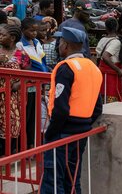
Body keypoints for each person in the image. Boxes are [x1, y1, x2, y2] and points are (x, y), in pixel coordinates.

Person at [41, 27, 103, 194]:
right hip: (81, 132)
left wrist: (51, 133)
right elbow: (98, 107)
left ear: (66, 45)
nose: (58, 45)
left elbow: (61, 108)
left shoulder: (66, 68)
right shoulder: (93, 68)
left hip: (63, 133)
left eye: (60, 42)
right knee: (73, 180)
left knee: (53, 181)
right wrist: (83, 123)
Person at [17, 17, 49, 148]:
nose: (34, 33)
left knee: (34, 117)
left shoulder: (37, 42)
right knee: (26, 116)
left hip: (38, 84)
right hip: (27, 85)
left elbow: (42, 61)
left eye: (36, 31)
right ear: (23, 30)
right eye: (32, 31)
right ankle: (23, 145)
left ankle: (31, 143)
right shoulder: (20, 44)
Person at [0, 25, 30, 155]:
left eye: (3, 35)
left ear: (12, 38)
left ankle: (7, 153)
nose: (0, 37)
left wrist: (18, 83)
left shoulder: (21, 54)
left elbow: (28, 73)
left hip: (12, 96)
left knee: (11, 122)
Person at [96, 18, 122, 103]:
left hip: (102, 72)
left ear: (106, 28)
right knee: (112, 97)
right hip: (111, 74)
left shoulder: (102, 40)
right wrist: (118, 70)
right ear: (117, 27)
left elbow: (98, 57)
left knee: (102, 96)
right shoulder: (116, 42)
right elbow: (105, 56)